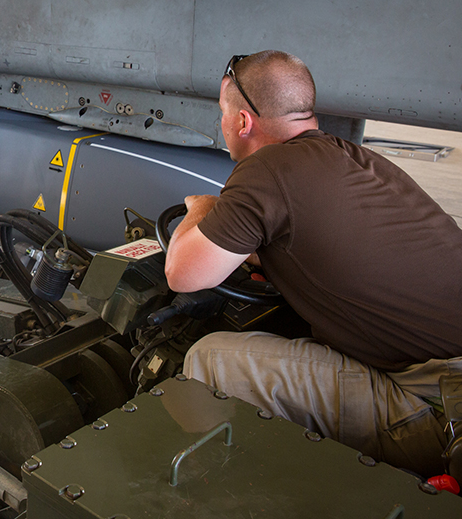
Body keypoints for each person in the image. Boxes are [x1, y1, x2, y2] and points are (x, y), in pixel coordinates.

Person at [163, 50, 462, 477]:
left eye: (223, 114)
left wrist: (202, 208)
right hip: (443, 372)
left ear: (243, 122)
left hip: (438, 406)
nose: (223, 125)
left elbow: (183, 274)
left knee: (210, 358)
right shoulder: (354, 158)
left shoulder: (266, 169)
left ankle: (220, 486)